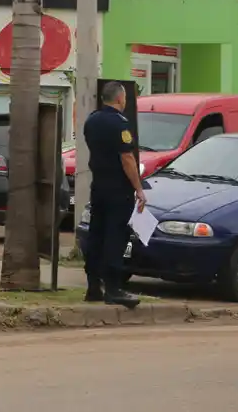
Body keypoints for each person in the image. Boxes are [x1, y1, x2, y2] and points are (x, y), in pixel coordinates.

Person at [82, 81, 145, 309]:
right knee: (115, 237)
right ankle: (114, 289)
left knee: (96, 234)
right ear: (120, 99)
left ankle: (92, 285)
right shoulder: (120, 124)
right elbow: (127, 159)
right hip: (118, 190)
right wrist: (138, 188)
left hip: (98, 186)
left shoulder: (92, 120)